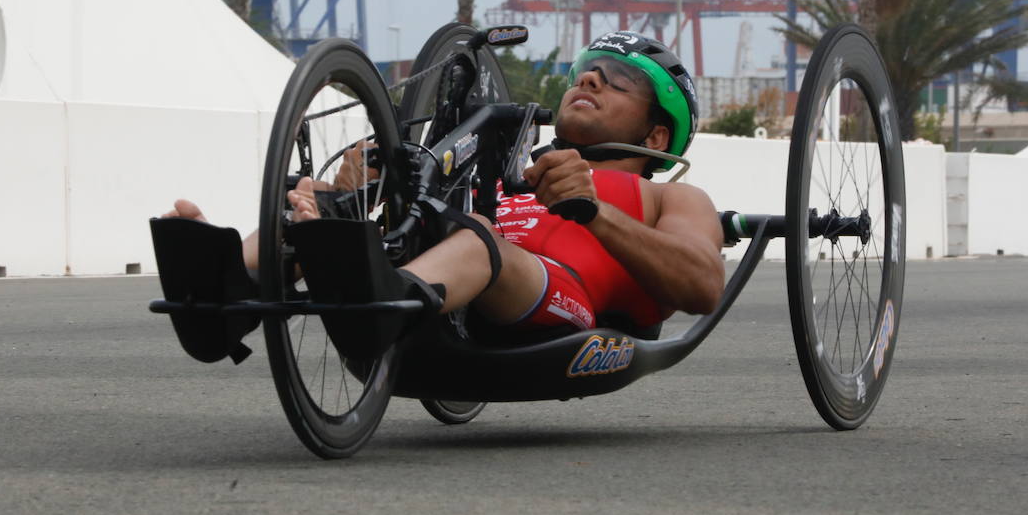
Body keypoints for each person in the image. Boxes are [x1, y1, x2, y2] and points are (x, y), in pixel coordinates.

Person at [164, 32, 725, 333]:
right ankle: (224, 285)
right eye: (588, 67)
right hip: (445, 276)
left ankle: (376, 295)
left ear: (656, 137)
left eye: (620, 80)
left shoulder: (670, 195)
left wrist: (594, 210)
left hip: (558, 296)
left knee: (481, 236)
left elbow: (702, 287)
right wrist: (365, 190)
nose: (591, 77)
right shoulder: (510, 166)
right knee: (328, 204)